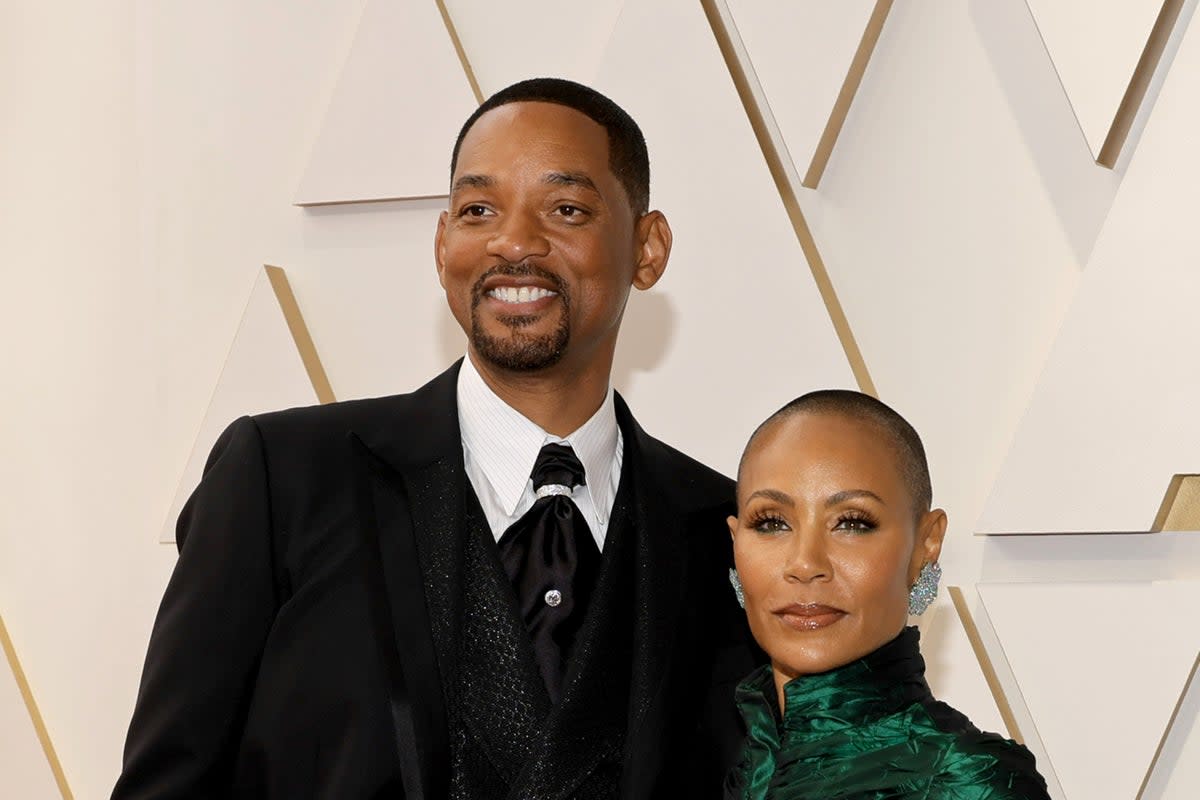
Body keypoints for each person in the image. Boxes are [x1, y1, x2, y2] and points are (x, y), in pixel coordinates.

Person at [111, 78, 761, 800]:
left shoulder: (729, 532)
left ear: (648, 248)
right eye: (478, 209)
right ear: (444, 240)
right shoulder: (281, 479)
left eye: (566, 208)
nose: (513, 241)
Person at [724, 391, 1049, 799]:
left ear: (926, 544)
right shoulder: (740, 768)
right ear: (736, 544)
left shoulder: (968, 784)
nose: (805, 563)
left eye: (852, 523)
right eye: (772, 523)